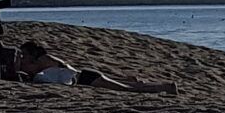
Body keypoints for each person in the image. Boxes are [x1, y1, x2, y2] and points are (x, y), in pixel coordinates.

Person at [15, 38, 174, 94]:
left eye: (24, 54)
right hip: (85, 76)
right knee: (127, 85)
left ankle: (167, 88)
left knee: (128, 90)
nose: (22, 57)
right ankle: (138, 81)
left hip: (85, 77)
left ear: (31, 53)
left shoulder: (44, 59)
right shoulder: (34, 65)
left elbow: (66, 69)